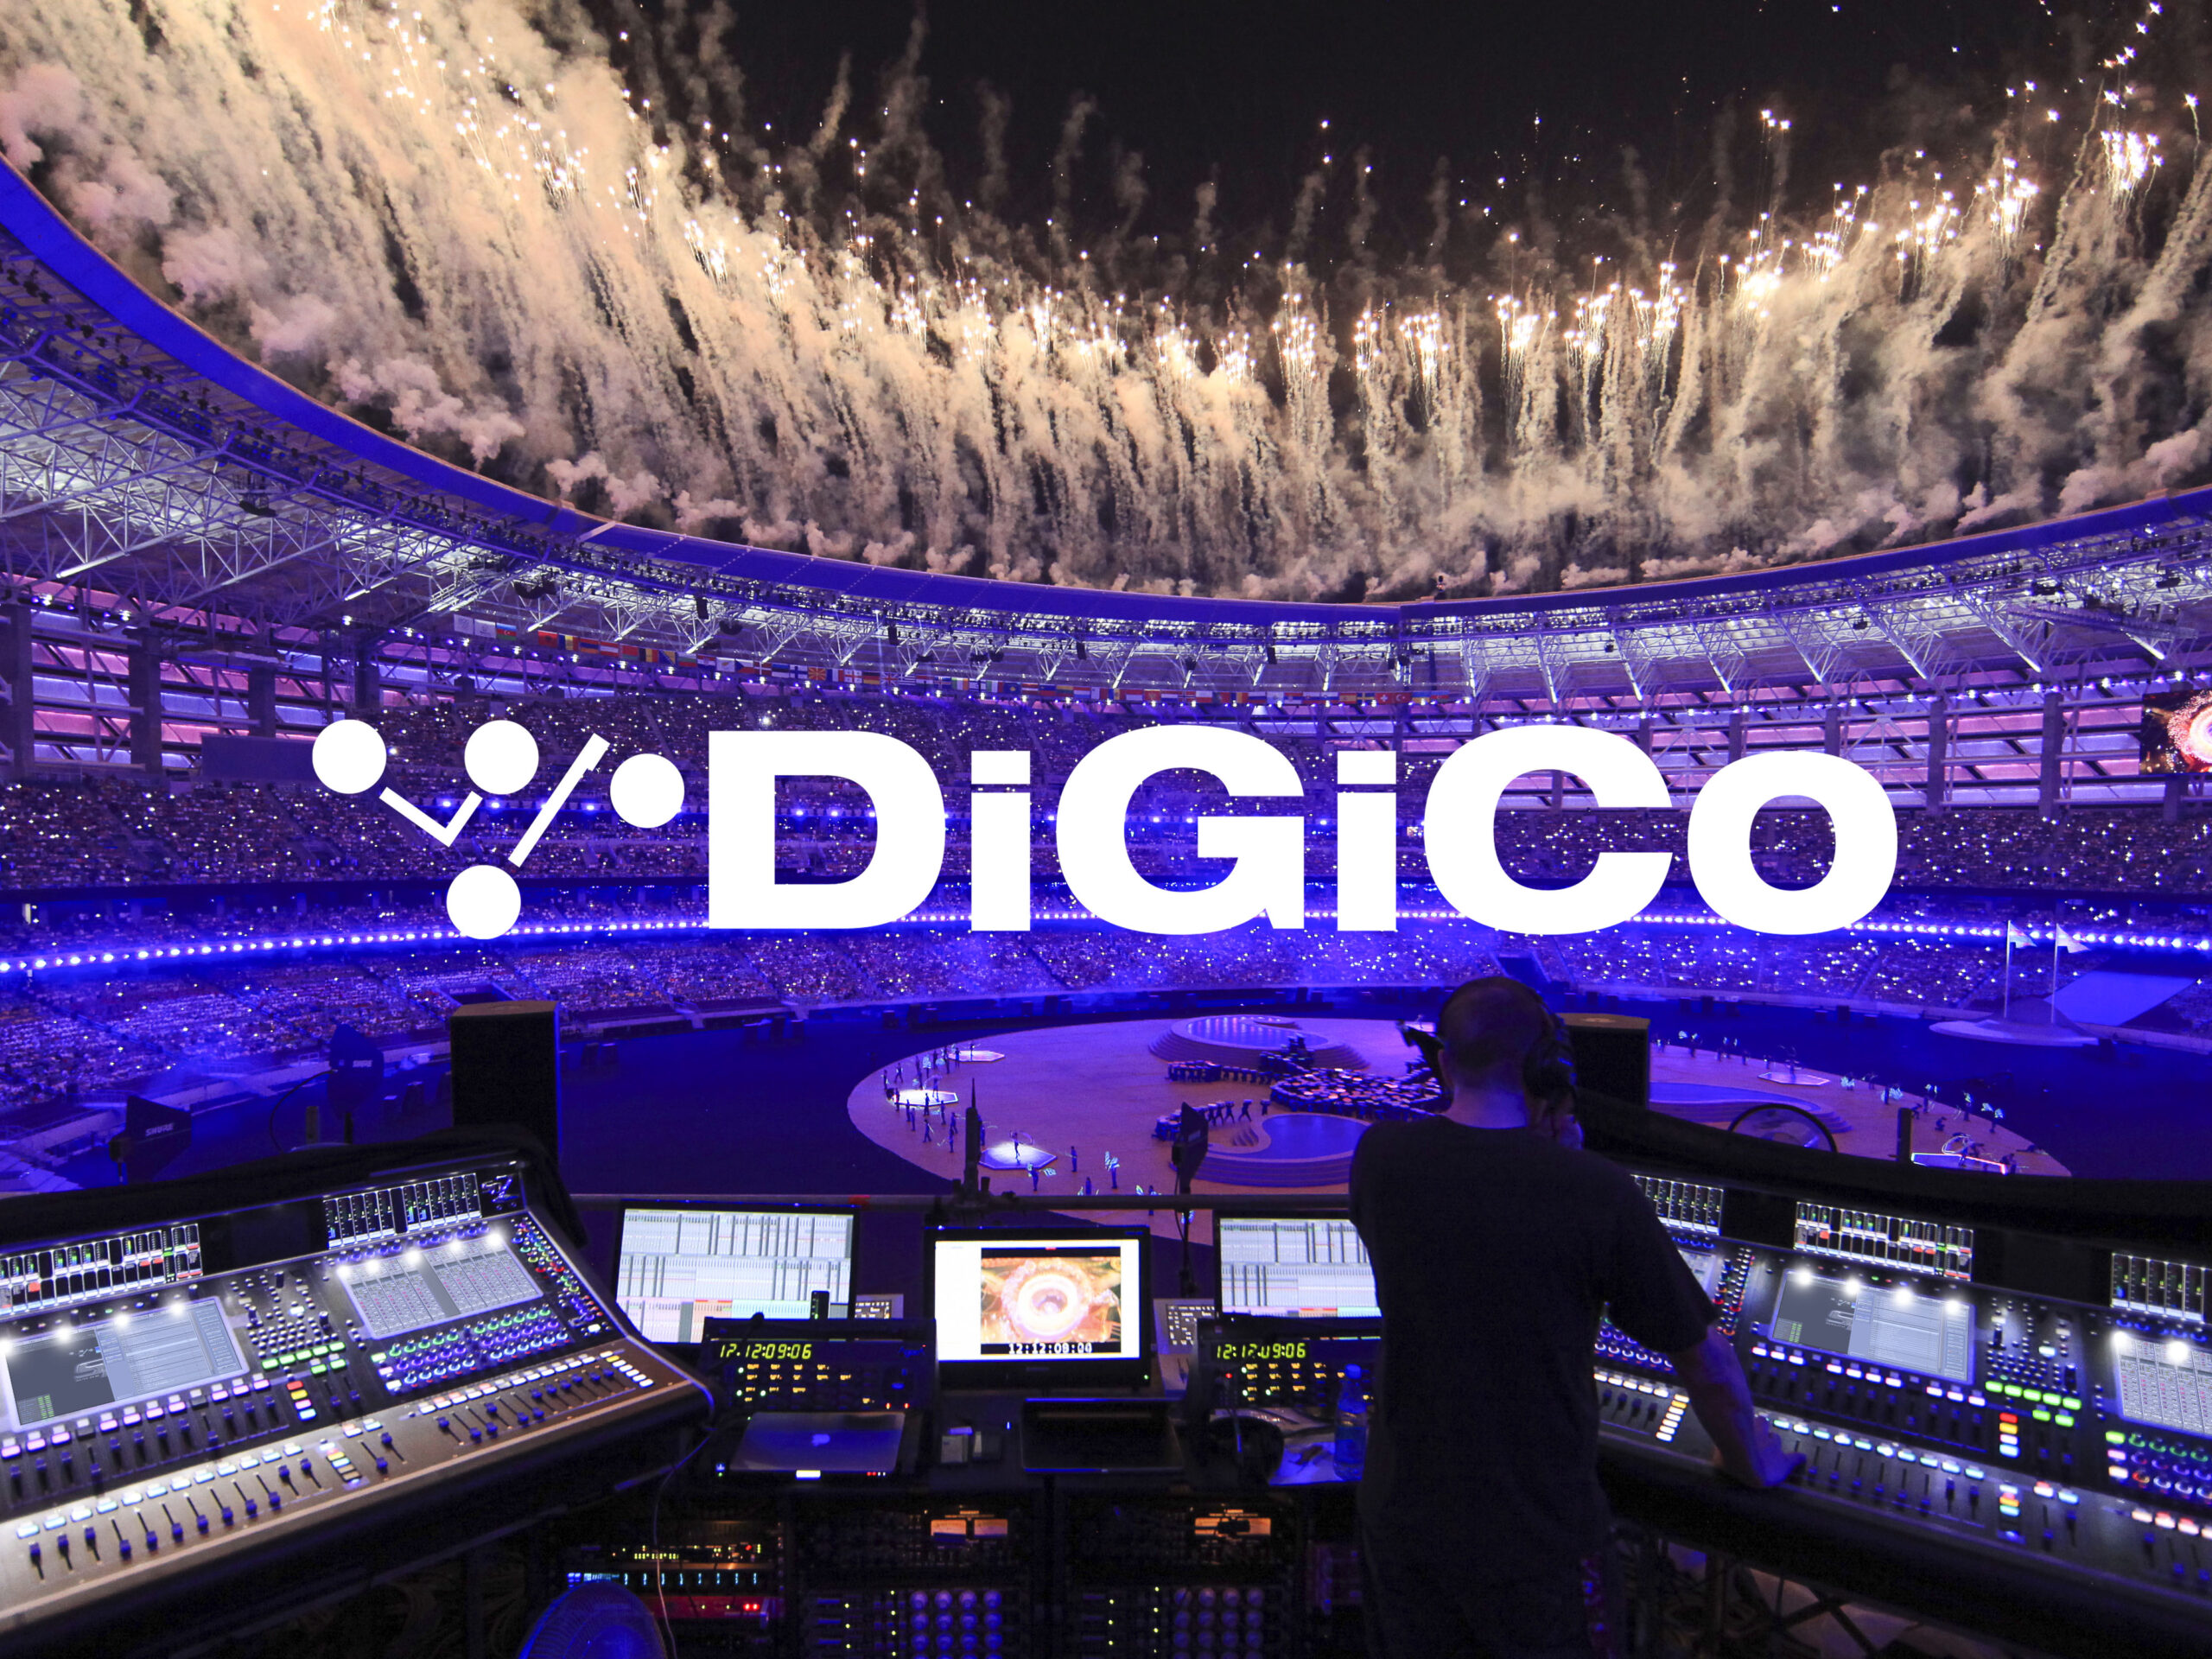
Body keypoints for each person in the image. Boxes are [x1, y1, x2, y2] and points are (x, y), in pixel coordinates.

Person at [1351, 977, 1800, 1659]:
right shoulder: (1595, 1191)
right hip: (1534, 1540)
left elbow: (1474, 1229)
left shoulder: (1380, 1158)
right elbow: (1703, 1359)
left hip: (1400, 1521)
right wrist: (1753, 1463)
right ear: (1547, 1071)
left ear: (1442, 1061)